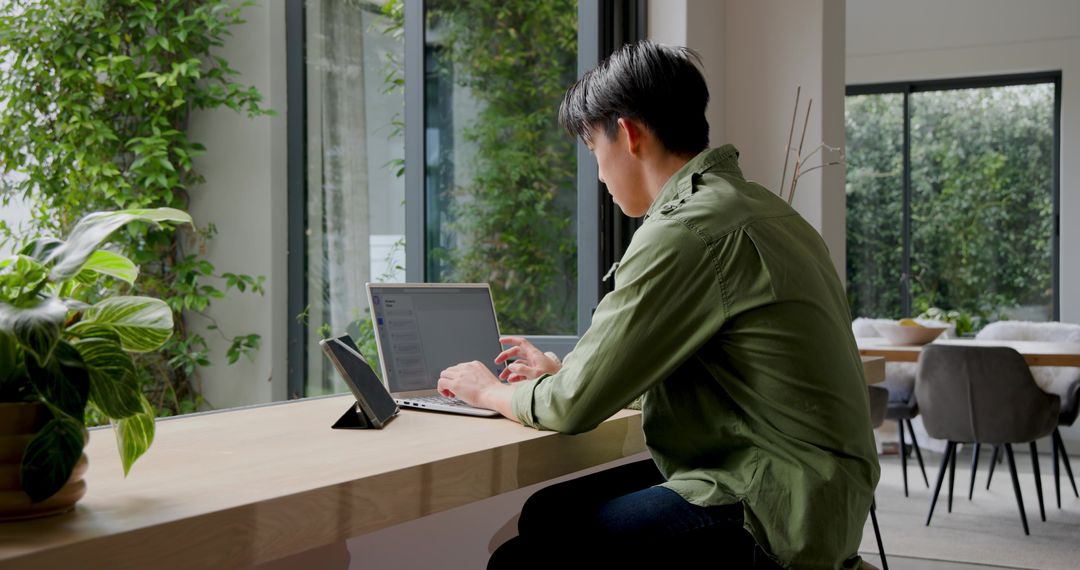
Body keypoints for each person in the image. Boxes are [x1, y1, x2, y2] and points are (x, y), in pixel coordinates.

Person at [436, 40, 880, 569]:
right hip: (813, 484)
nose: (599, 174)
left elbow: (575, 408)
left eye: (593, 150)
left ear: (627, 134)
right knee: (547, 512)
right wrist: (560, 373)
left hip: (777, 502)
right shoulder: (762, 210)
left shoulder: (688, 229)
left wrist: (488, 392)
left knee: (525, 558)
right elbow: (714, 378)